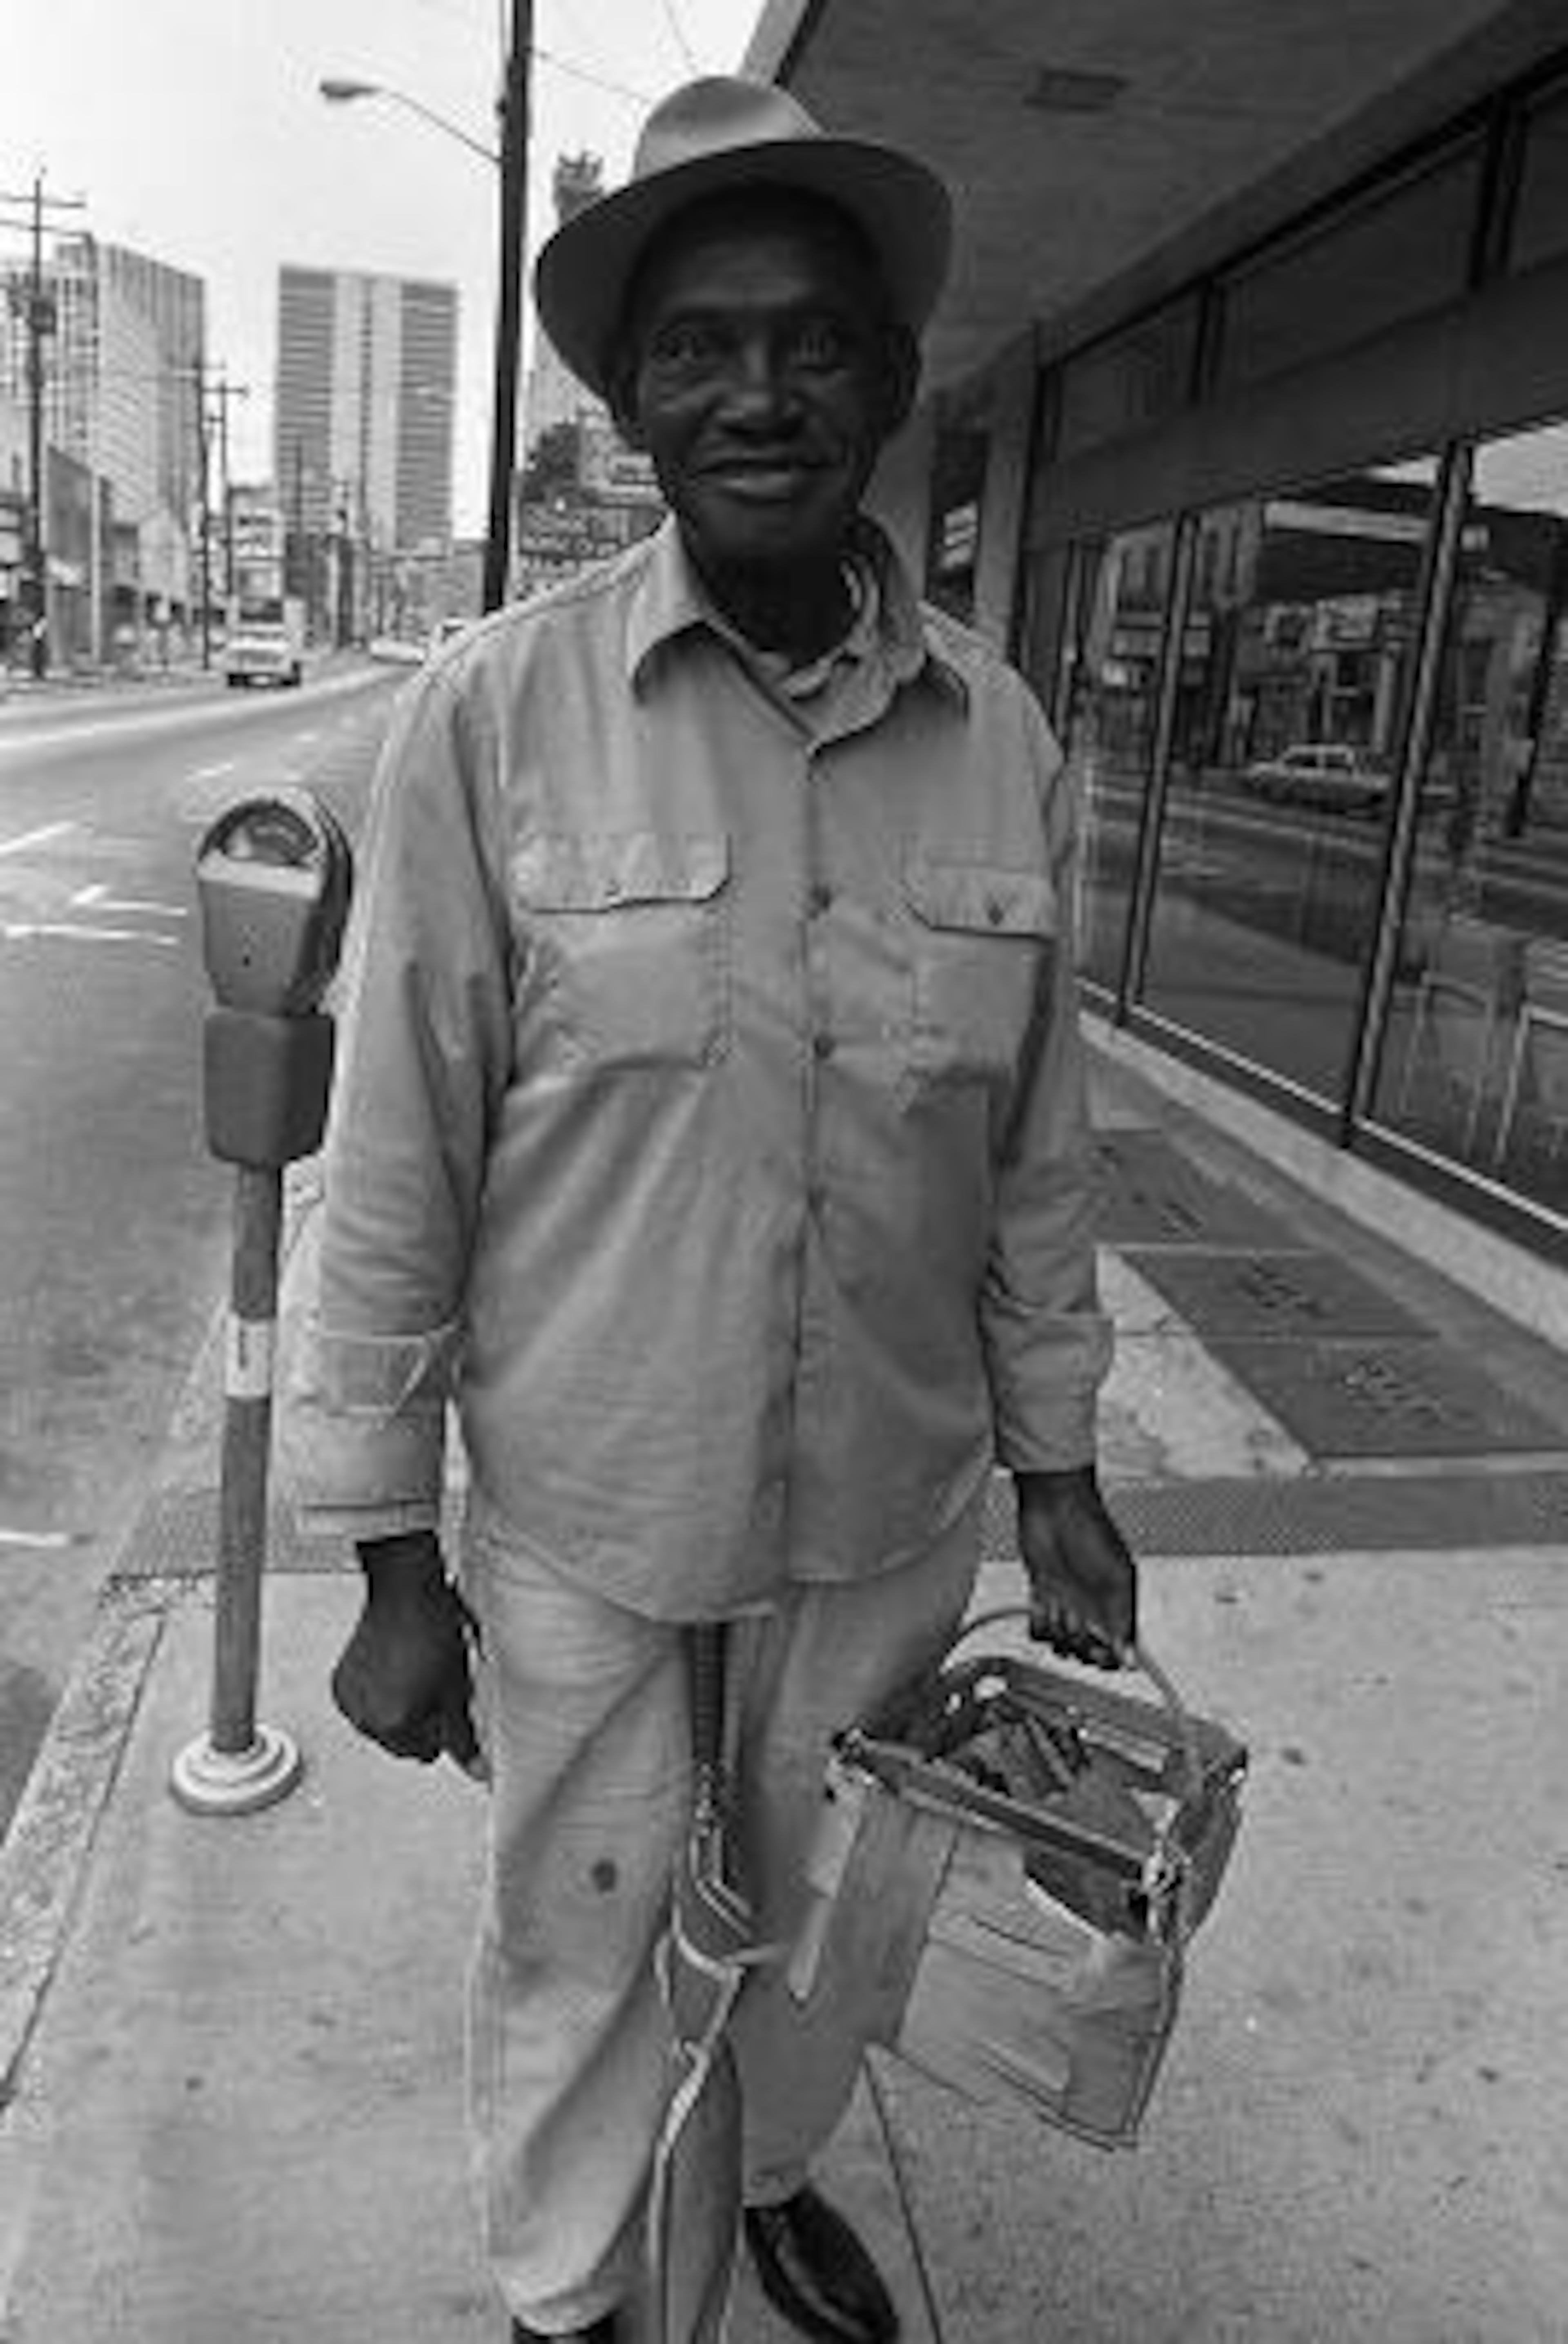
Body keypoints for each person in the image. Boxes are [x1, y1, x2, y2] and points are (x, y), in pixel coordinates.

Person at [291, 73, 1137, 2344]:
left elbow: (1039, 1143)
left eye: (808, 342)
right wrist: (386, 1558)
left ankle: (755, 2182)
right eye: (700, 347)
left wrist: (1062, 1464)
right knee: (579, 1940)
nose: (757, 392)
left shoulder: (1006, 732)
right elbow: (396, 1160)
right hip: (591, 1524)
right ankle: (572, 2298)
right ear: (631, 398)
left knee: (828, 1931)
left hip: (885, 1518)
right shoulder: (491, 720)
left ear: (885, 381)